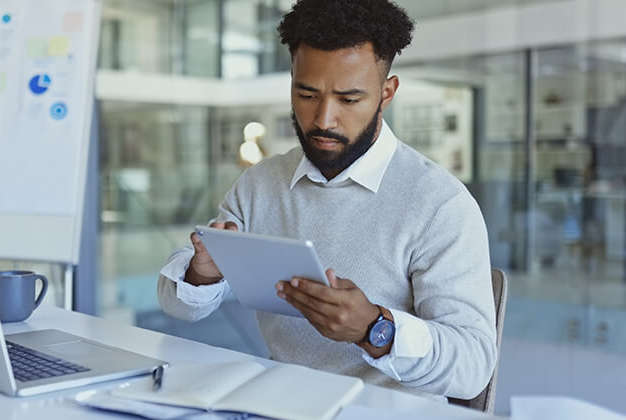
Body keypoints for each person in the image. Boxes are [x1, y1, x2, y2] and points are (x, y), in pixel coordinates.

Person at [157, 0, 496, 401]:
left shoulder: (440, 204)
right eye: (307, 94)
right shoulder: (261, 184)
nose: (323, 119)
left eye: (349, 100)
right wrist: (202, 274)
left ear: (387, 93)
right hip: (278, 404)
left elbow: (473, 367)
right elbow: (180, 307)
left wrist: (374, 329)